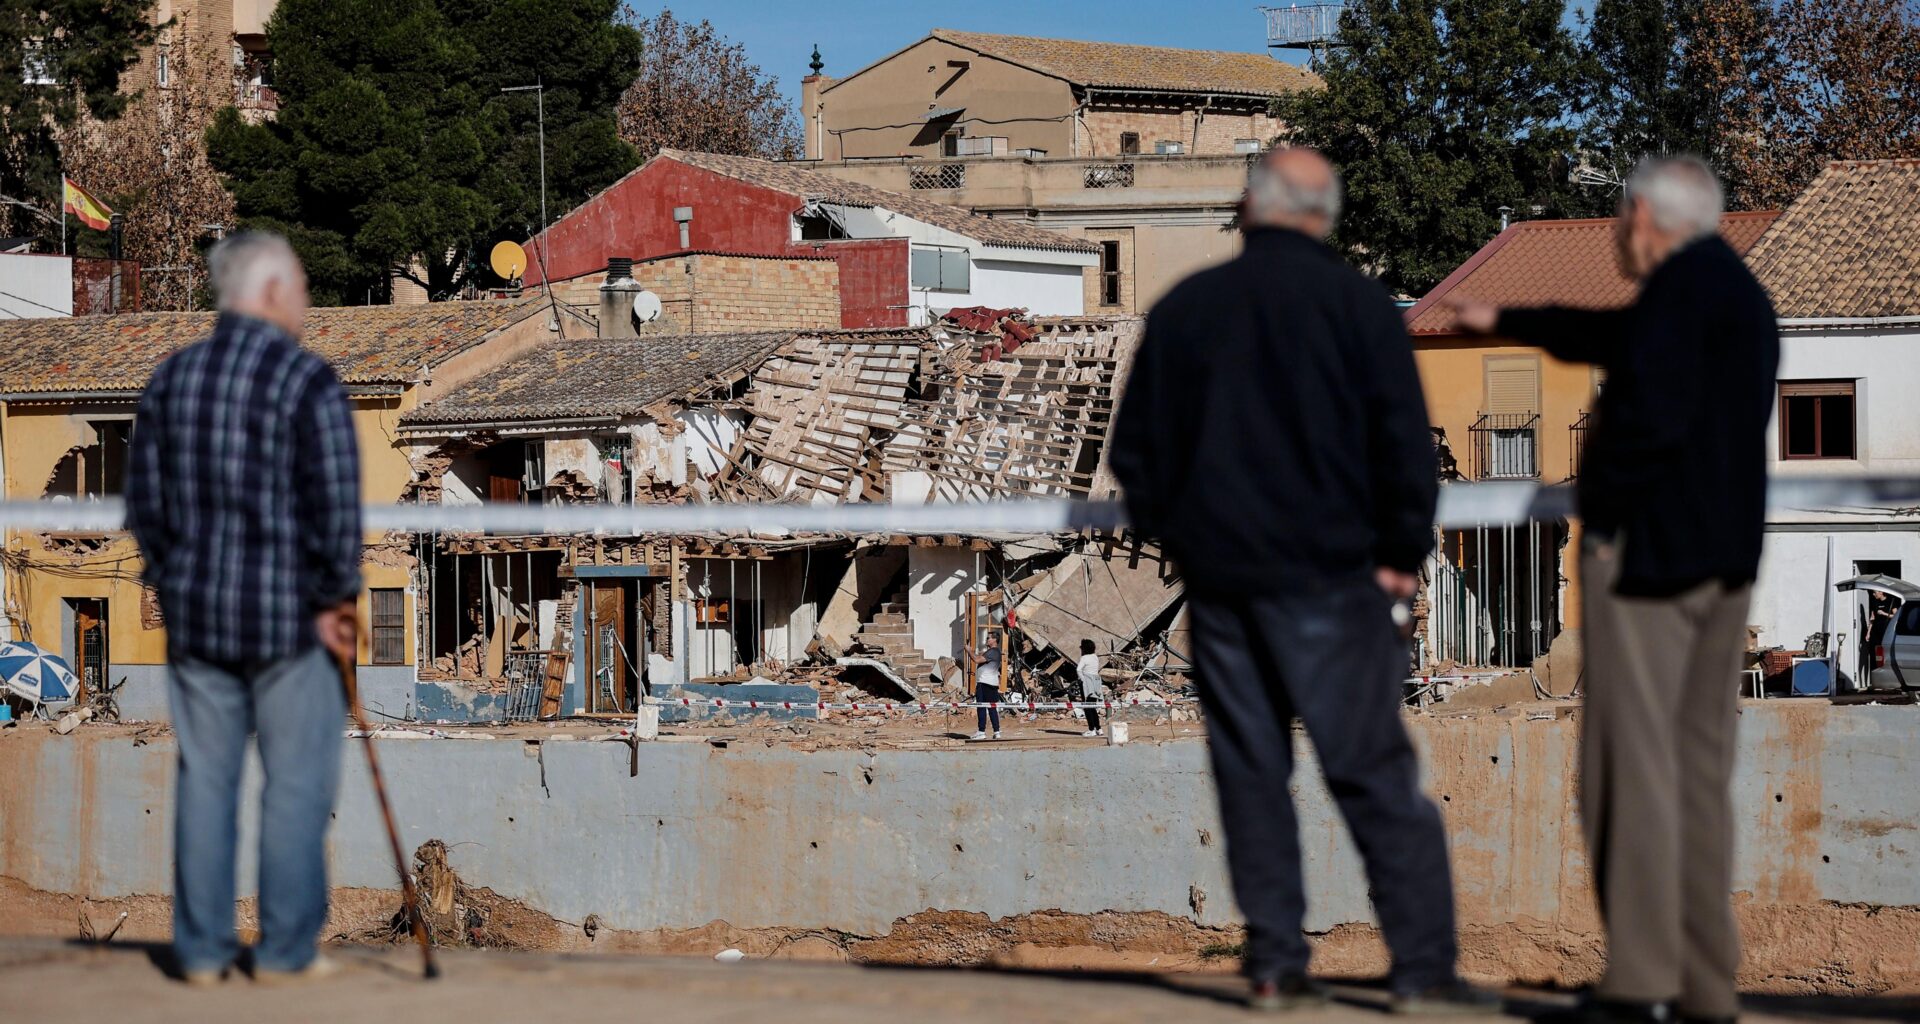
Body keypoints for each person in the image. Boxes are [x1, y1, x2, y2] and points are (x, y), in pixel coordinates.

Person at [1109, 146, 1490, 1014]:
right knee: (1372, 775)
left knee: (1251, 774)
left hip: (1224, 586)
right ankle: (1422, 971)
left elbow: (1136, 455)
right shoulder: (1358, 307)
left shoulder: (1188, 308)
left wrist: (1192, 542)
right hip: (1336, 583)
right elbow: (1407, 449)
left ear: (1250, 208)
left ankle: (1277, 965)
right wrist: (1397, 557)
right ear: (1324, 217)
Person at [1445, 156, 1779, 1024]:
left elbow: (1649, 404)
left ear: (1644, 219)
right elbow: (1618, 338)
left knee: (1624, 774)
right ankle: (1704, 986)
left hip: (1653, 564)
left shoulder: (1678, 294)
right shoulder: (1736, 294)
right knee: (1697, 776)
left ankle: (1638, 981)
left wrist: (1604, 508)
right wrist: (1508, 318)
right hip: (1723, 566)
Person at [126, 232, 363, 985]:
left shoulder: (172, 380)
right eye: (300, 287)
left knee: (206, 781)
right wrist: (336, 596)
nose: (306, 302)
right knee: (296, 785)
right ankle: (285, 951)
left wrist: (174, 579)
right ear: (269, 291)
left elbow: (146, 506)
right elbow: (335, 507)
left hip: (197, 619)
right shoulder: (308, 380)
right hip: (292, 622)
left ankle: (200, 953)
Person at [970, 631, 1004, 741]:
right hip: (992, 683)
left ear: (994, 640)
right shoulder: (995, 652)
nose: (986, 640)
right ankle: (996, 731)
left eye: (988, 638)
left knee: (981, 707)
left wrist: (969, 651)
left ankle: (981, 732)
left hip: (984, 683)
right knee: (992, 708)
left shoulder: (992, 651)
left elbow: (976, 660)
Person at [1076, 639, 1106, 737]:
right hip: (1096, 682)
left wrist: (1082, 679)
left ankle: (1091, 729)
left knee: (1087, 707)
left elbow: (1078, 669)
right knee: (1092, 706)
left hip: (1087, 683)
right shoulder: (1095, 657)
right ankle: (1099, 728)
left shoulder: (1084, 658)